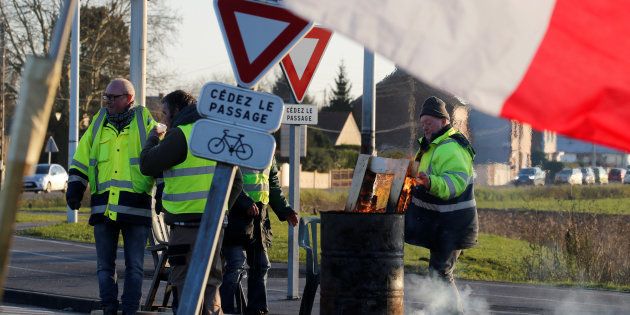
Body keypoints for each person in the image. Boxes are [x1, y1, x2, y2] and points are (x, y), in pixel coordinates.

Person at [139, 90, 245, 315]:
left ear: (177, 111)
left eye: (165, 113)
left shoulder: (180, 135)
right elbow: (236, 182)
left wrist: (153, 136)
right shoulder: (216, 133)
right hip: (215, 226)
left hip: (187, 226)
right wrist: (221, 210)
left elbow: (148, 164)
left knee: (185, 284)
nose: (164, 119)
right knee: (211, 281)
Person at [66, 78, 157, 315]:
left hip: (136, 207)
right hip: (103, 207)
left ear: (129, 99)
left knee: (135, 266)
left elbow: (159, 158)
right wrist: (75, 187)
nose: (108, 101)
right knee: (104, 266)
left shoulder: (144, 121)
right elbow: (81, 158)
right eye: (106, 97)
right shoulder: (98, 123)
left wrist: (165, 191)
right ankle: (109, 307)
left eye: (113, 97)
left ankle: (129, 310)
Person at [404, 96, 478, 314]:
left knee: (441, 273)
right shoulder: (430, 147)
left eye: (429, 122)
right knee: (438, 274)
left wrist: (431, 183)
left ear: (443, 121)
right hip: (442, 224)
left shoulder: (452, 147)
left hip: (453, 224)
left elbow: (455, 183)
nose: (424, 126)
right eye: (423, 122)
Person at [220, 159, 299, 315]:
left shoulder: (269, 147)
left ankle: (257, 310)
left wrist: (285, 209)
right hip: (235, 214)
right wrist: (244, 202)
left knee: (261, 265)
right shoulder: (236, 138)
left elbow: (272, 183)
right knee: (235, 265)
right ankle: (223, 309)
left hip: (259, 216)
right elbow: (226, 178)